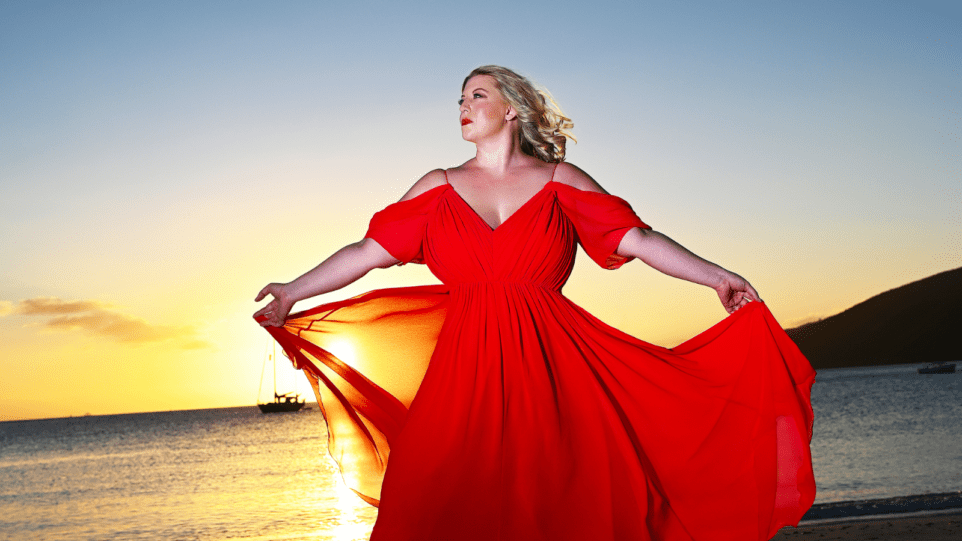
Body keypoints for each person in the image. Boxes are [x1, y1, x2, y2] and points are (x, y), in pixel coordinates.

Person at [254, 65, 816, 541]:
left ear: (513, 109)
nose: (463, 106)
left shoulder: (560, 180)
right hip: (462, 373)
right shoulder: (436, 186)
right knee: (424, 493)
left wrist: (717, 277)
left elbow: (639, 240)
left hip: (557, 366)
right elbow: (368, 251)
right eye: (460, 98)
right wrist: (293, 290)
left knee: (561, 500)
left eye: (478, 95)